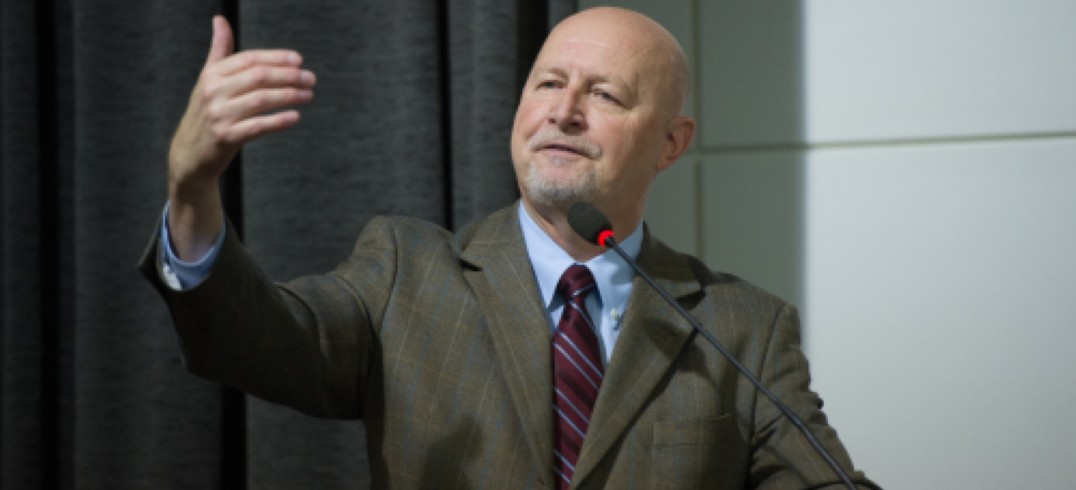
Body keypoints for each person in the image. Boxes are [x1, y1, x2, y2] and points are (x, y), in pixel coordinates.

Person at [141, 6, 879, 489]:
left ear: (671, 143)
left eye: (606, 96)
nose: (563, 111)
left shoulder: (743, 327)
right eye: (548, 84)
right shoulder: (404, 272)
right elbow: (254, 339)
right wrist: (191, 191)